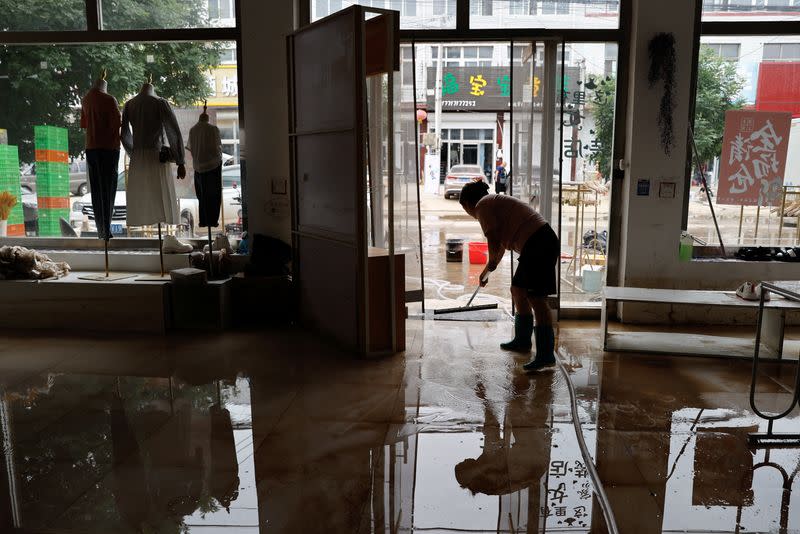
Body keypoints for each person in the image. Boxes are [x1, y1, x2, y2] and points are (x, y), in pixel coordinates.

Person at [459, 180, 559, 371]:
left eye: (465, 209)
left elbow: (493, 241)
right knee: (518, 290)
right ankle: (522, 341)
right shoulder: (492, 203)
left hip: (539, 243)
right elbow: (502, 246)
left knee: (536, 298)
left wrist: (489, 267)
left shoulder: (482, 206)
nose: (470, 214)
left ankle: (546, 355)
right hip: (538, 242)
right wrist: (487, 271)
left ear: (468, 204)